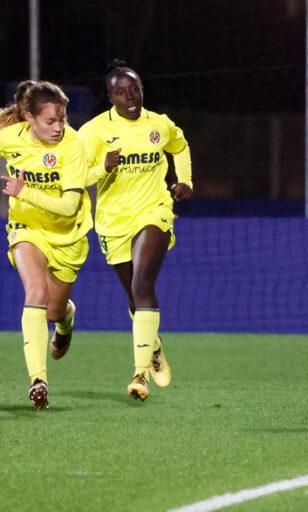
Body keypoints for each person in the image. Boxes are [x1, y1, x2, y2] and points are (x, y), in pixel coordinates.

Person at [78, 60, 193, 401]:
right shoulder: (94, 131)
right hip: (113, 221)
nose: (130, 97)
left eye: (134, 89)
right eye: (120, 92)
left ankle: (139, 374)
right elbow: (77, 177)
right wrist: (103, 167)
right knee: (133, 295)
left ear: (142, 88)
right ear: (110, 96)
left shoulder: (159, 124)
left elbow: (180, 146)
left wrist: (184, 180)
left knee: (143, 284)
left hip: (154, 210)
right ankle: (153, 346)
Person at [0, 80, 93, 410]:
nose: (59, 127)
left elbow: (69, 208)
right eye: (50, 121)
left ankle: (66, 318)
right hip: (28, 229)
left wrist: (23, 191)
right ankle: (38, 381)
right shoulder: (9, 137)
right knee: (35, 293)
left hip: (68, 235)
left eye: (63, 119)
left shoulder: (73, 145)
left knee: (53, 309)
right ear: (29, 118)